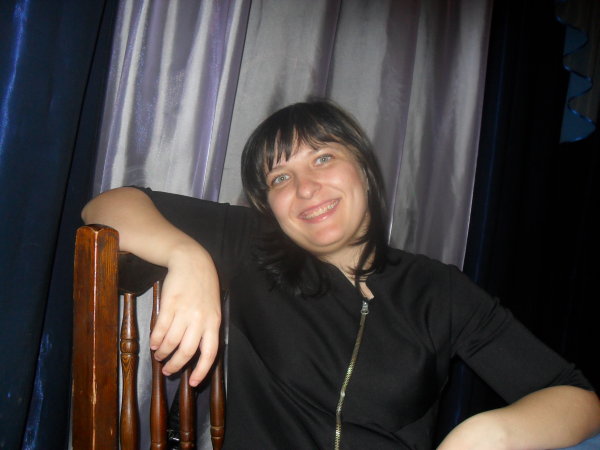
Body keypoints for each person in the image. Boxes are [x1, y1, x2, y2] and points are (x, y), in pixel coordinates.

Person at [82, 100, 600, 449]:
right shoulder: (251, 244)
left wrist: (487, 436)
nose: (305, 188)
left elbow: (578, 399)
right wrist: (188, 255)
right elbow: (107, 206)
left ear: (365, 171)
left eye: (323, 158)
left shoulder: (439, 290)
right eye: (280, 177)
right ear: (269, 206)